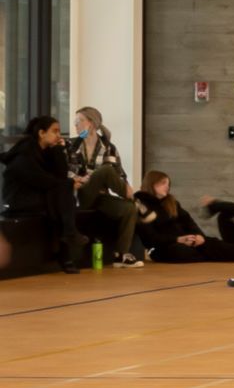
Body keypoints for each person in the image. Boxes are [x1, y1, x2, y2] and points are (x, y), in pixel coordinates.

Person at [3, 114, 85, 273]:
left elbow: (60, 175)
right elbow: (41, 180)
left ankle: (68, 240)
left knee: (61, 194)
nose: (58, 135)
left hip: (37, 195)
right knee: (61, 195)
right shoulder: (25, 153)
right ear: (41, 133)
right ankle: (67, 245)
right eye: (55, 131)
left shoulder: (46, 152)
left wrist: (58, 150)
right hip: (19, 200)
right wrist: (69, 184)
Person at [74, 123, 140, 266]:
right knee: (106, 170)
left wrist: (125, 184)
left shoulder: (108, 147)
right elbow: (64, 169)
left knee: (129, 208)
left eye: (79, 121)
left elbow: (119, 173)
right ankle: (136, 199)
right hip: (78, 194)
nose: (75, 125)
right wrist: (78, 178)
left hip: (100, 195)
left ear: (91, 124)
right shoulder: (72, 144)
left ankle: (121, 254)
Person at [134, 172, 215, 264]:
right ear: (151, 183)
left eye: (168, 184)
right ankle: (210, 254)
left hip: (186, 240)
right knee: (182, 251)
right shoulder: (141, 205)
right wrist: (177, 239)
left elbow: (188, 221)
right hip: (162, 247)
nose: (167, 187)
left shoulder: (172, 202)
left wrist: (198, 235)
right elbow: (151, 238)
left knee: (213, 244)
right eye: (163, 183)